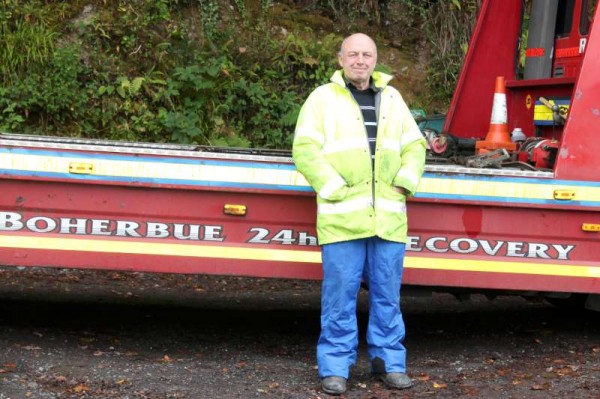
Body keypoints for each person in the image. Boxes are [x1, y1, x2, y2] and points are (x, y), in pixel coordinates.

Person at [292, 33, 426, 395]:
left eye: (367, 54)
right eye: (353, 54)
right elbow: (305, 148)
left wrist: (405, 181)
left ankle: (389, 363)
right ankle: (335, 368)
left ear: (375, 59)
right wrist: (331, 187)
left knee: (387, 295)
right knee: (340, 295)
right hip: (342, 217)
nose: (360, 60)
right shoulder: (322, 99)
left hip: (388, 217)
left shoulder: (393, 99)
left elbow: (415, 146)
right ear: (340, 59)